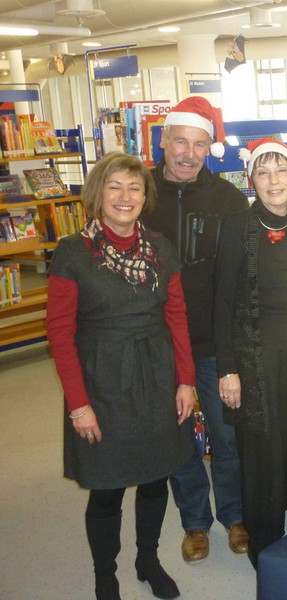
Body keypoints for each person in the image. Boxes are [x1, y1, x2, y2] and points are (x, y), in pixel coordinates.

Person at [46, 152, 196, 600]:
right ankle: (104, 573)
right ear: (98, 193)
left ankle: (148, 559)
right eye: (114, 186)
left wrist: (186, 380)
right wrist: (79, 405)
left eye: (135, 187)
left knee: (155, 478)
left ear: (145, 196)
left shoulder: (160, 247)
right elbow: (59, 333)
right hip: (102, 381)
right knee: (107, 488)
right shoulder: (73, 252)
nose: (125, 196)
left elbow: (177, 316)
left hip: (157, 374)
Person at [142, 96, 250, 564]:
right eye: (180, 142)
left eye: (199, 144)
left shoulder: (229, 200)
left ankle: (236, 516)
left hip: (213, 343)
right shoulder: (138, 193)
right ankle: (195, 523)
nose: (188, 153)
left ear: (210, 148)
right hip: (158, 344)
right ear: (164, 141)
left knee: (228, 434)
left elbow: (242, 276)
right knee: (179, 435)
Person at [214, 138, 287, 567]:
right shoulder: (236, 229)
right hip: (255, 362)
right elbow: (222, 304)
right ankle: (265, 546)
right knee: (262, 454)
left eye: (281, 170)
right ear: (252, 181)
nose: (273, 180)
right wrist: (227, 369)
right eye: (263, 172)